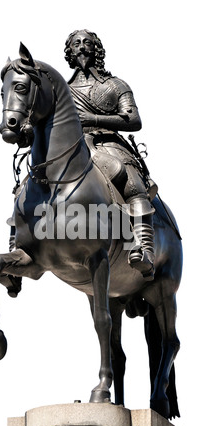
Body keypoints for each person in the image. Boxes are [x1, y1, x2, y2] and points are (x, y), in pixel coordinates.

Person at [64, 30, 155, 280]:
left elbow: (133, 120)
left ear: (96, 49)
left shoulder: (116, 85)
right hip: (71, 148)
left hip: (107, 142)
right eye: (76, 44)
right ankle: (19, 244)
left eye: (87, 43)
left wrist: (93, 119)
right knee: (32, 180)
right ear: (69, 52)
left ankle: (145, 249)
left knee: (131, 181)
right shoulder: (62, 90)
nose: (82, 47)